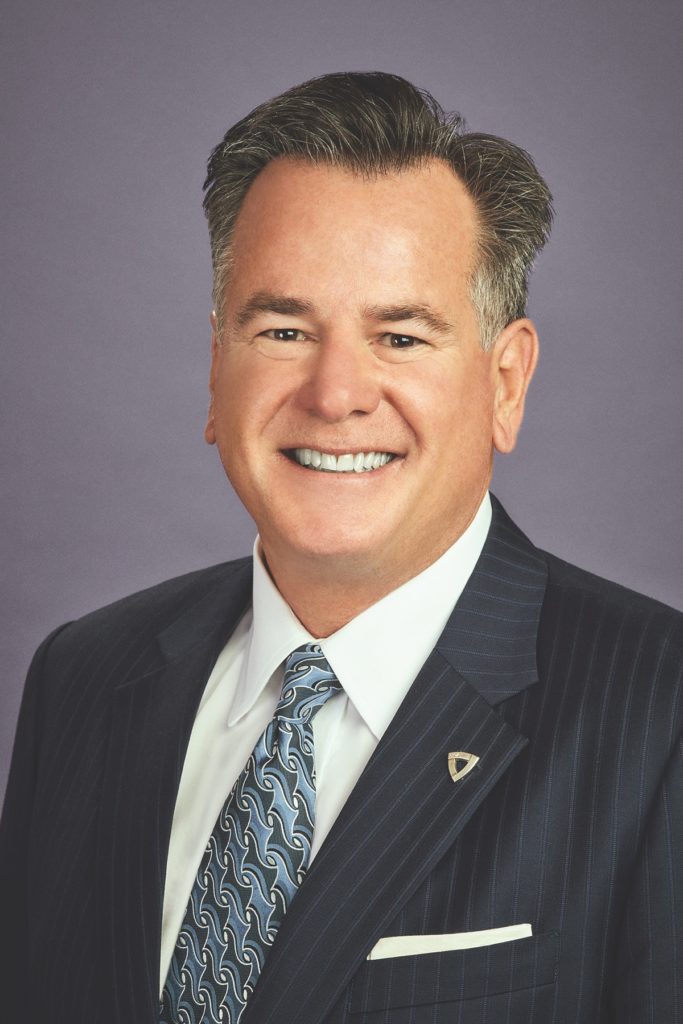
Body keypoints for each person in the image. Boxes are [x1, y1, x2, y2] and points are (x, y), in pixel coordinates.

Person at [0, 71, 681, 1024]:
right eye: (284, 330)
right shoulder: (82, 676)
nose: (334, 395)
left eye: (400, 338)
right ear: (216, 368)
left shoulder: (657, 711)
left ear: (505, 383)